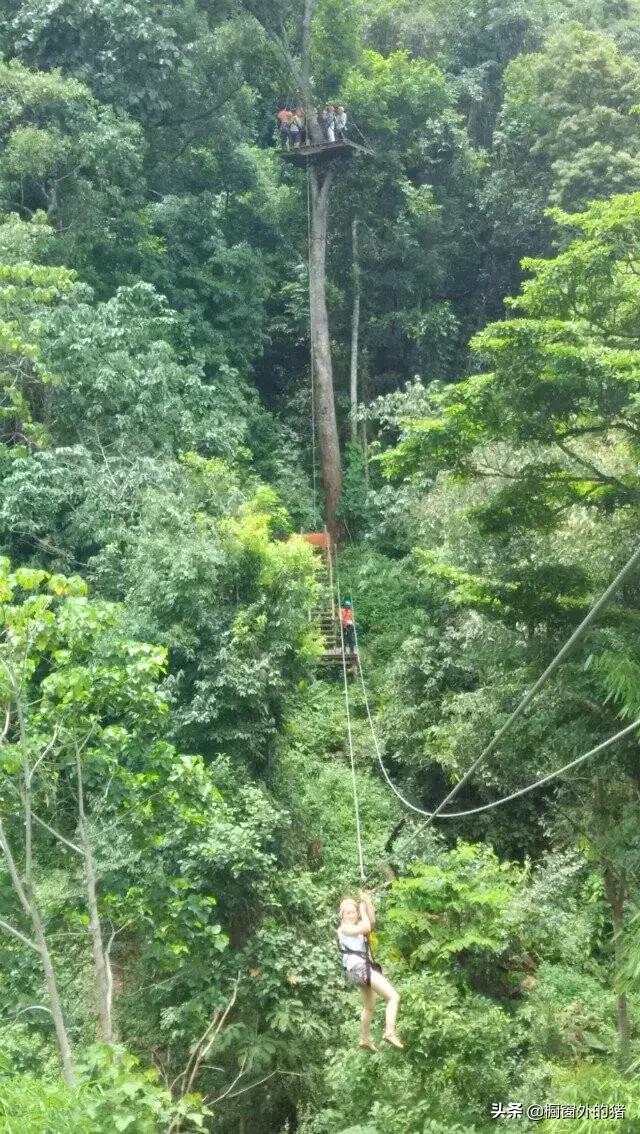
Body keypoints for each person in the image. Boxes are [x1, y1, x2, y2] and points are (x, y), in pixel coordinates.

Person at [338, 891, 403, 1051]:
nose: (350, 915)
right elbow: (366, 925)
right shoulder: (344, 929)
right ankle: (390, 1032)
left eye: (353, 912)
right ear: (342, 915)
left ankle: (365, 1039)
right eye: (347, 913)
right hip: (360, 969)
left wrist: (367, 902)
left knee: (369, 1007)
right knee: (393, 997)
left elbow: (371, 922)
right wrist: (361, 908)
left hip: (358, 971)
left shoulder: (358, 927)